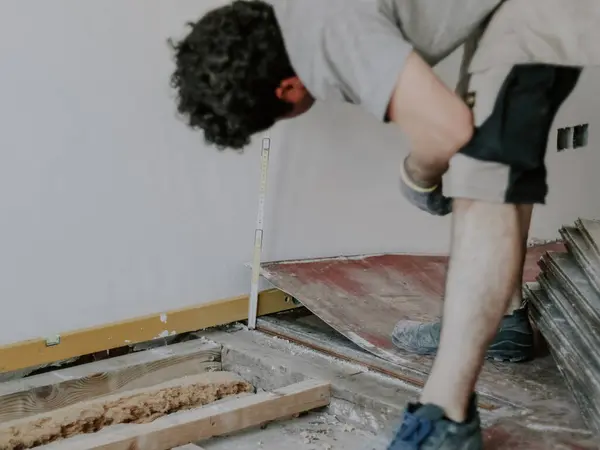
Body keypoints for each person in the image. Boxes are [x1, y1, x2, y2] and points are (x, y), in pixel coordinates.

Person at [169, 0, 598, 448]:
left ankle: (444, 418)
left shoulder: (327, 35)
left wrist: (418, 176)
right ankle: (502, 320)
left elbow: (449, 130)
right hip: (502, 15)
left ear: (287, 89)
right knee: (497, 158)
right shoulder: (303, 17)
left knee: (484, 177)